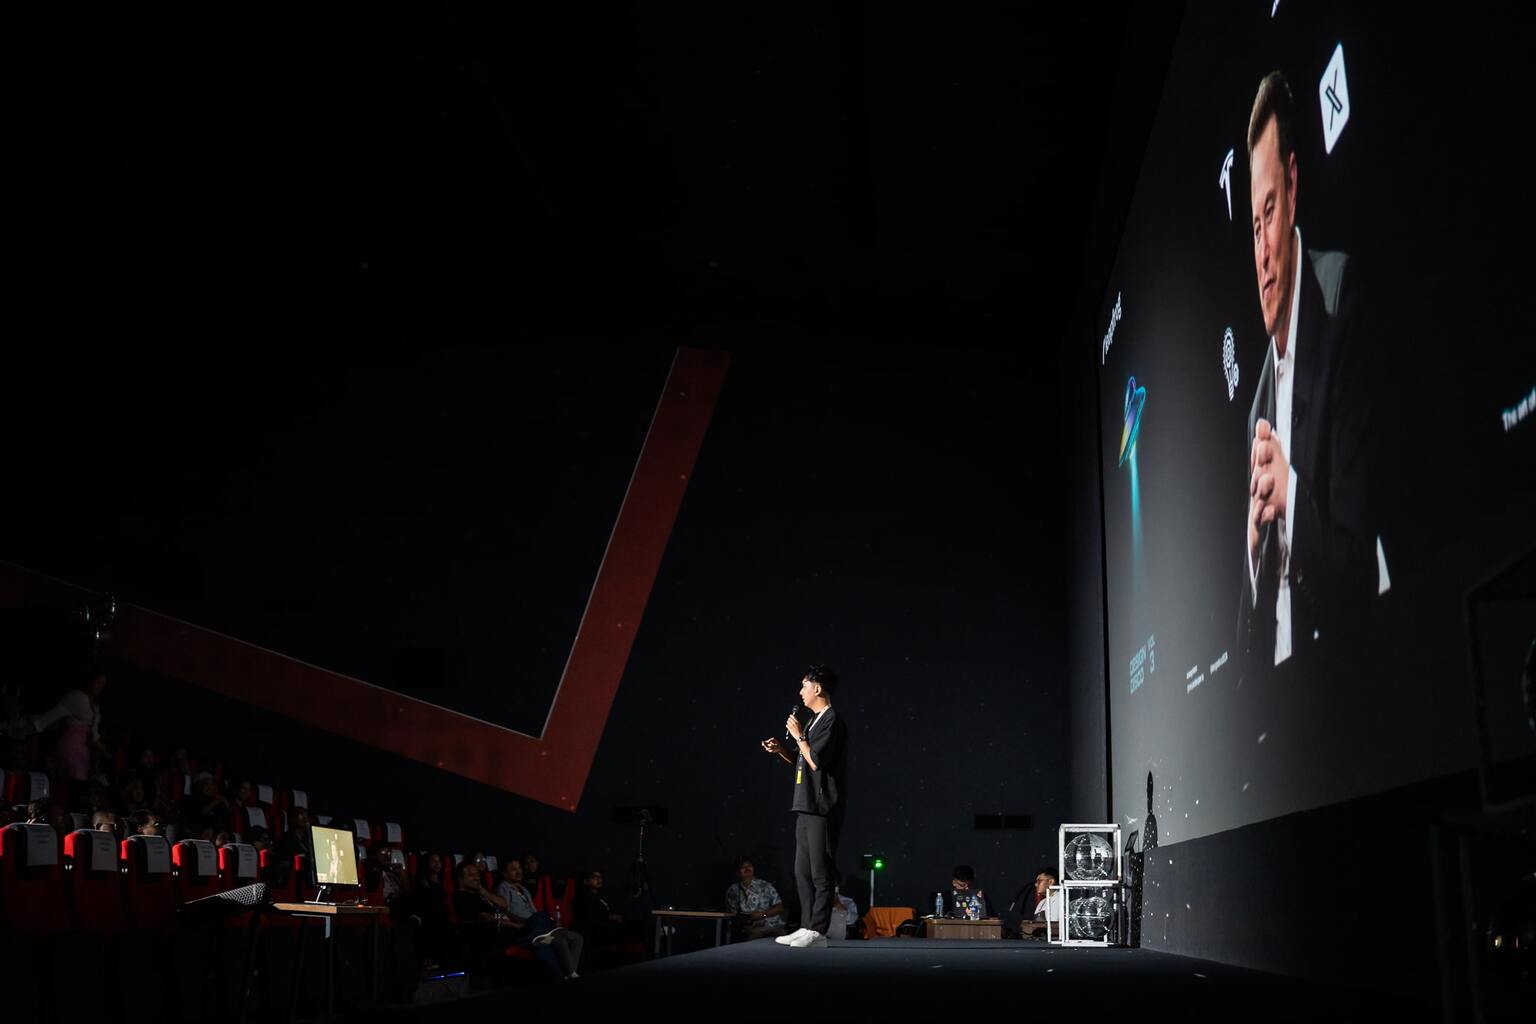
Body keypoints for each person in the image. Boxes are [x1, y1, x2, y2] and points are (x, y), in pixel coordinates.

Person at [1239, 70, 1378, 673]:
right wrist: (1251, 554)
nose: (1263, 251)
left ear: (1293, 187)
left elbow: (1360, 572)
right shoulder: (1258, 407)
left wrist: (1291, 494)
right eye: (1253, 225)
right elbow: (1248, 653)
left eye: (1269, 212)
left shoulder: (1339, 295)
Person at [760, 664, 847, 949]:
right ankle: (806, 925)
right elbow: (803, 759)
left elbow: (818, 761)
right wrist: (782, 751)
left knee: (821, 870)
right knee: (802, 870)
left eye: (804, 686)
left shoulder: (832, 720)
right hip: (805, 804)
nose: (800, 692)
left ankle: (818, 931)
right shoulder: (813, 721)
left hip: (822, 806)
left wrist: (798, 734)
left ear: (817, 688)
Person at [492, 858, 583, 979]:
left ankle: (570, 973)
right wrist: (520, 923)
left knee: (577, 938)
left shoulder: (524, 889)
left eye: (519, 868)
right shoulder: (502, 888)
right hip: (525, 928)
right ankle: (540, 937)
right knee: (544, 924)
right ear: (504, 873)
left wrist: (552, 922)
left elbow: (534, 912)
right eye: (513, 869)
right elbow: (501, 914)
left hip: (538, 923)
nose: (518, 872)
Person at [31, 669, 107, 783]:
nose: (100, 687)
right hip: (70, 749)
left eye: (103, 684)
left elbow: (94, 735)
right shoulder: (76, 698)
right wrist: (32, 728)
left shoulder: (95, 707)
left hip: (83, 751)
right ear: (91, 681)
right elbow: (49, 717)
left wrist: (103, 751)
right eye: (98, 682)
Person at [724, 855, 786, 940]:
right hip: (752, 929)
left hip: (774, 926)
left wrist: (762, 915)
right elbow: (732, 913)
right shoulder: (733, 890)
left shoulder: (765, 885)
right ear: (737, 872)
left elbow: (780, 908)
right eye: (742, 867)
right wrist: (745, 920)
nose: (747, 868)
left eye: (749, 866)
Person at [1019, 867, 1057, 937]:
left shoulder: (1060, 900)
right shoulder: (1042, 902)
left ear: (1051, 882)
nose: (1036, 885)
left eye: (1039, 881)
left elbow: (1056, 927)